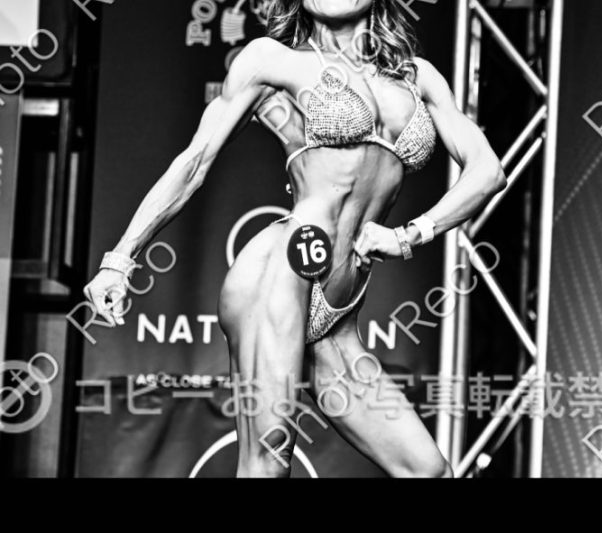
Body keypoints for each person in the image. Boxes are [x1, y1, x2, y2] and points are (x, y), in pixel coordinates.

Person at [83, 0, 506, 478]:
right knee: (267, 462)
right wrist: (121, 258)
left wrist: (411, 235)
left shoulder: (418, 77)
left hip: (339, 312)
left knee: (428, 470)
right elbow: (194, 162)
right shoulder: (272, 60)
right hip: (283, 270)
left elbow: (488, 171)